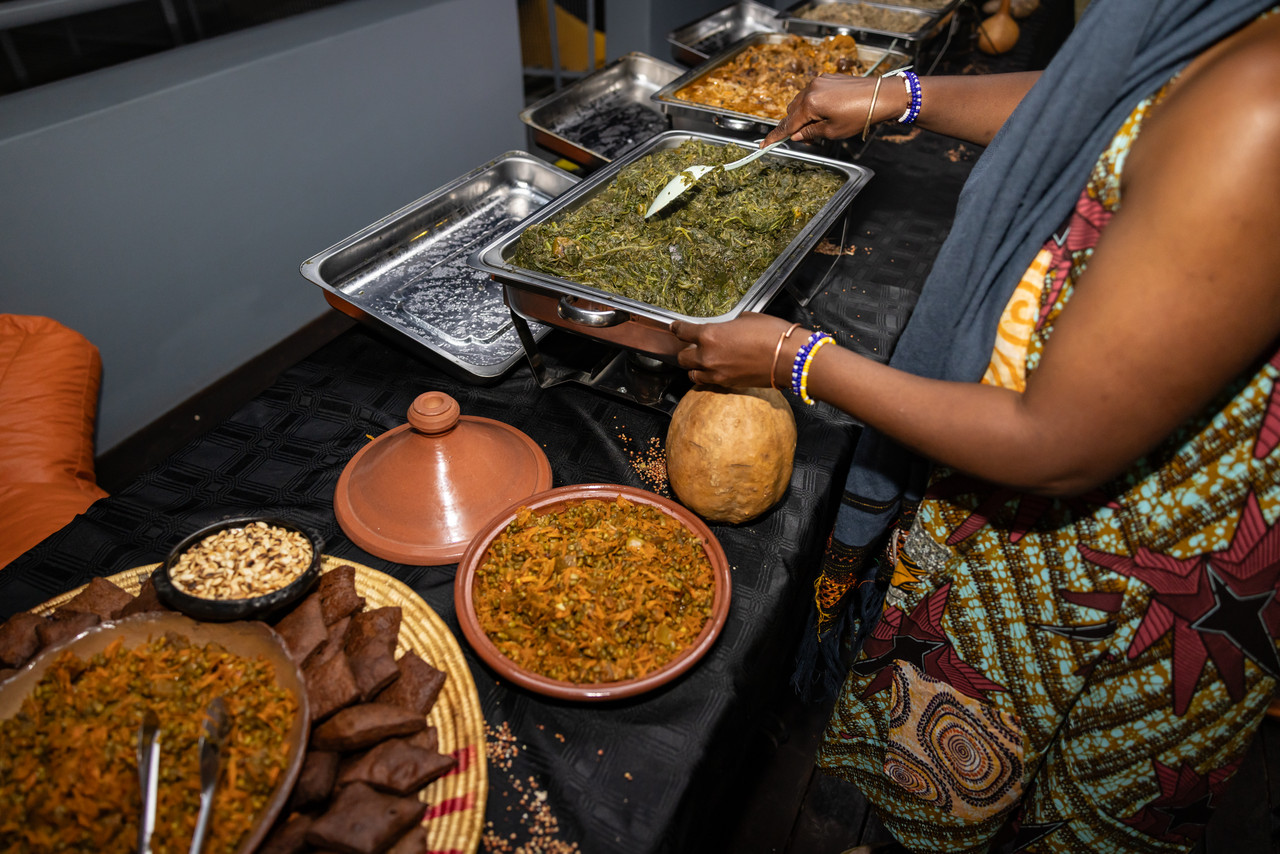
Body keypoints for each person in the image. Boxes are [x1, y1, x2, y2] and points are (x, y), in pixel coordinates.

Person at [670, 1, 1280, 851]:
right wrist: (900, 96)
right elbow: (1097, 101)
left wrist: (796, 361)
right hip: (1022, 496)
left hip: (1109, 562)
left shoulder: (1261, 108)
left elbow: (1056, 445)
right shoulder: (1210, 21)